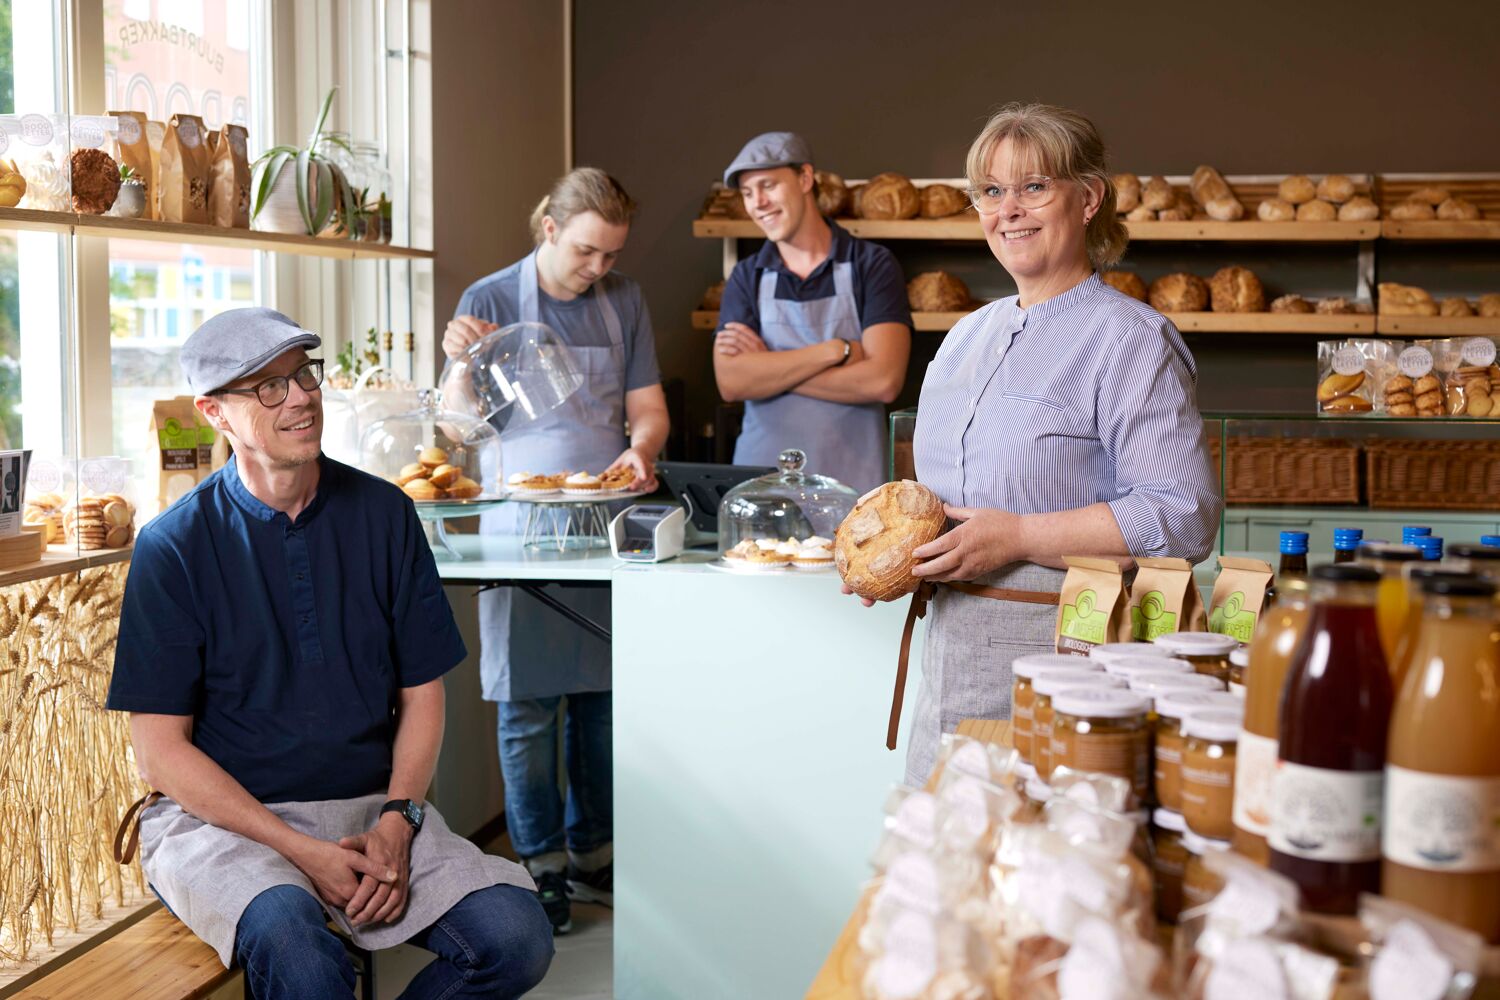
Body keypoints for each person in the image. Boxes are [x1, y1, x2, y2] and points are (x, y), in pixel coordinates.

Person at [106, 308, 553, 999]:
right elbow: (161, 752)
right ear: (214, 413)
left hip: (373, 810)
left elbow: (422, 694)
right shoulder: (174, 547)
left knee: (515, 934)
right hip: (227, 824)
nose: (300, 397)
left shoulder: (384, 514)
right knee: (303, 958)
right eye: (268, 387)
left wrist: (399, 820)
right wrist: (300, 852)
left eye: (304, 375)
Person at [862, 104, 1221, 786]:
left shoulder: (1130, 340)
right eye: (991, 192)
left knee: (1044, 873)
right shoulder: (965, 337)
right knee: (943, 869)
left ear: (1087, 199)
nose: (1009, 210)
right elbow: (949, 501)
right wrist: (902, 554)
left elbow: (1182, 515)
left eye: (1034, 187)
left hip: (1066, 672)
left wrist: (1020, 535)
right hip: (949, 666)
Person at [444, 168, 668, 934]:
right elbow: (454, 428)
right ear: (549, 230)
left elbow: (647, 409)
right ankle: (538, 869)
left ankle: (595, 858)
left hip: (602, 518)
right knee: (527, 709)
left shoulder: (624, 300)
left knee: (602, 704)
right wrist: (456, 365)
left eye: (610, 255)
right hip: (521, 523)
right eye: (586, 252)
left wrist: (641, 451)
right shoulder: (489, 300)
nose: (598, 269)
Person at [713, 131, 912, 494]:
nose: (757, 202)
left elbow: (883, 381)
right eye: (746, 192)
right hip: (761, 488)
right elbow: (732, 382)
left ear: (805, 178)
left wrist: (769, 366)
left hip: (853, 487)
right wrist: (833, 351)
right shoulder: (747, 276)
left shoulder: (871, 265)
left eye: (768, 185)